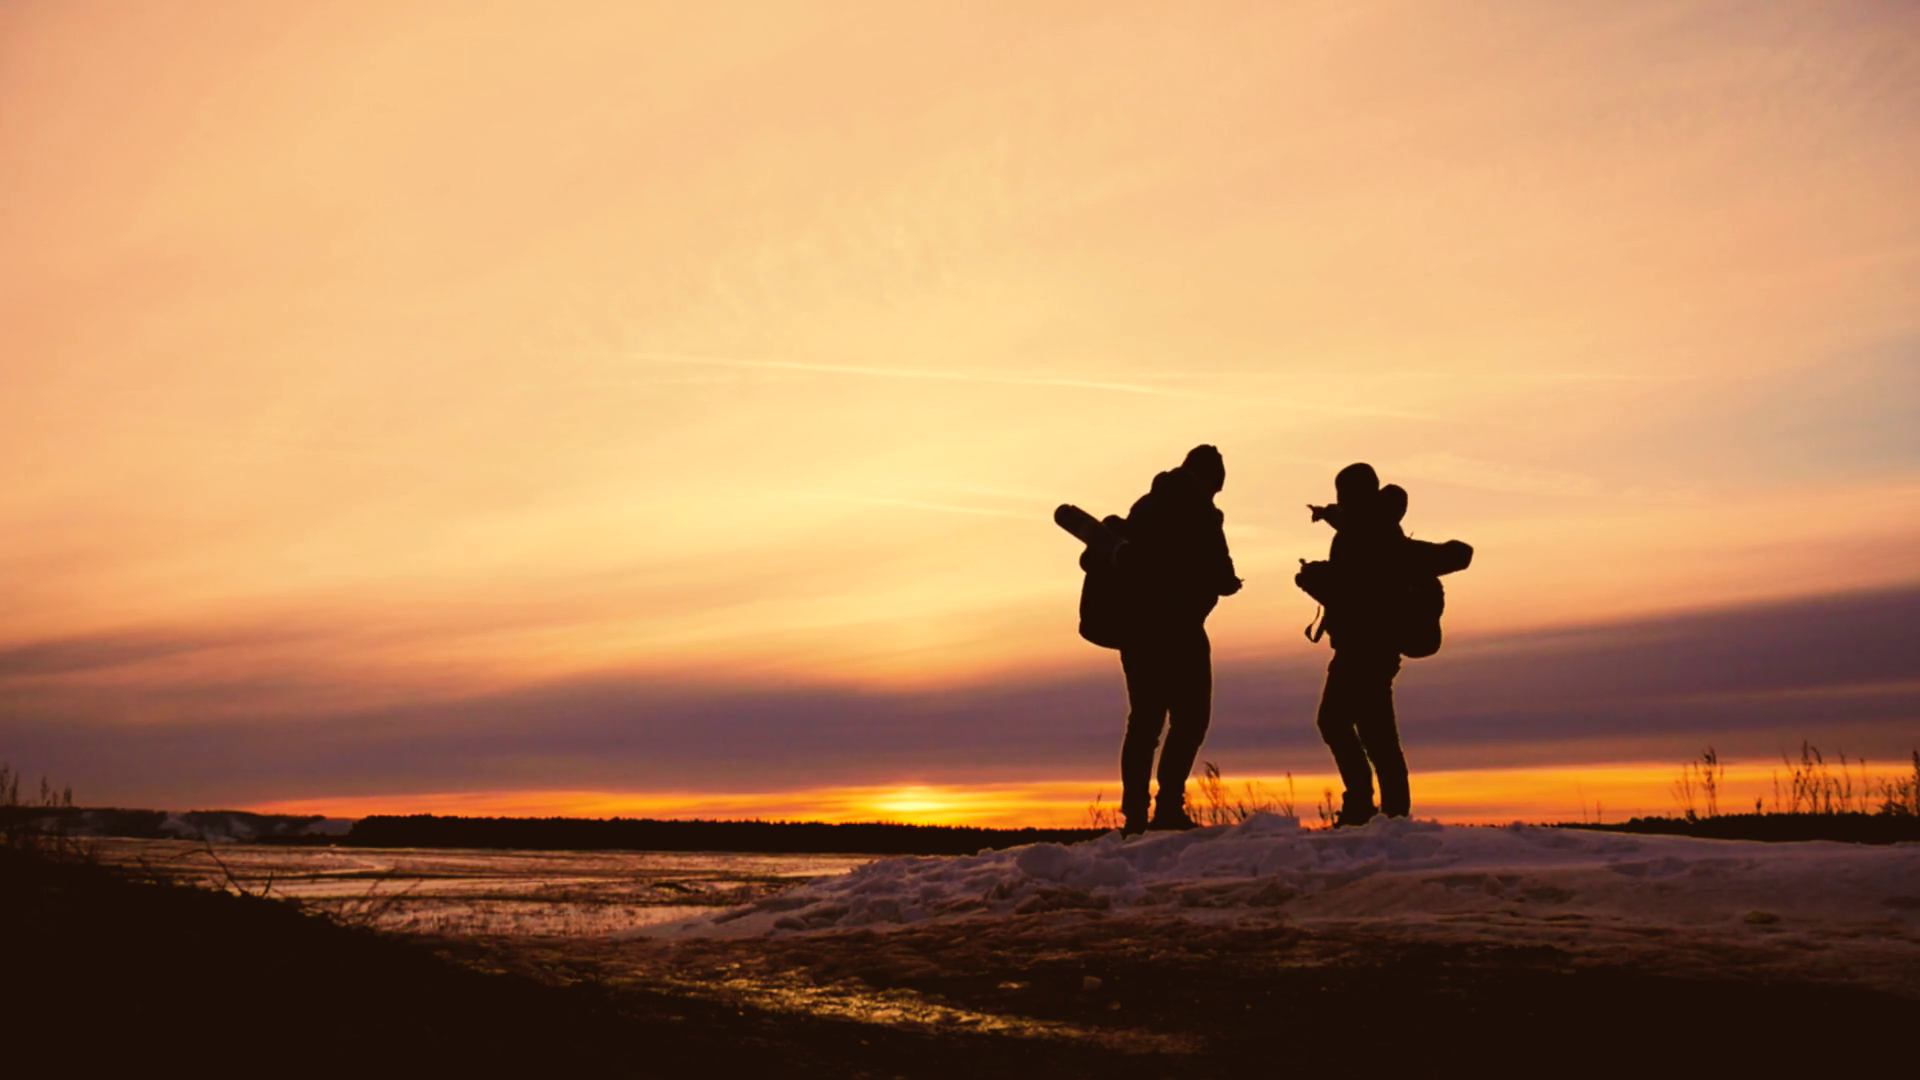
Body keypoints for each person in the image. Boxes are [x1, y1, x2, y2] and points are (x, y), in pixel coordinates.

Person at [1300, 464, 1469, 826]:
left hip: (1366, 650)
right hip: (1364, 649)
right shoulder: (1362, 528)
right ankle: (1385, 811)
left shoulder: (1374, 536)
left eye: (1344, 493)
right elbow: (1352, 583)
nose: (1340, 500)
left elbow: (1356, 591)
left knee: (1344, 725)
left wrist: (1317, 579)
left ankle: (1371, 808)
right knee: (1369, 732)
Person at [1113, 444, 1242, 834]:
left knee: (1145, 723)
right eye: (1217, 486)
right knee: (1190, 719)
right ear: (1210, 480)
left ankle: (1136, 814)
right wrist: (1227, 582)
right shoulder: (1201, 513)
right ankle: (1168, 806)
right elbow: (1222, 574)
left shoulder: (1146, 506)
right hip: (1180, 630)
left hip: (1136, 631)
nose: (1216, 494)